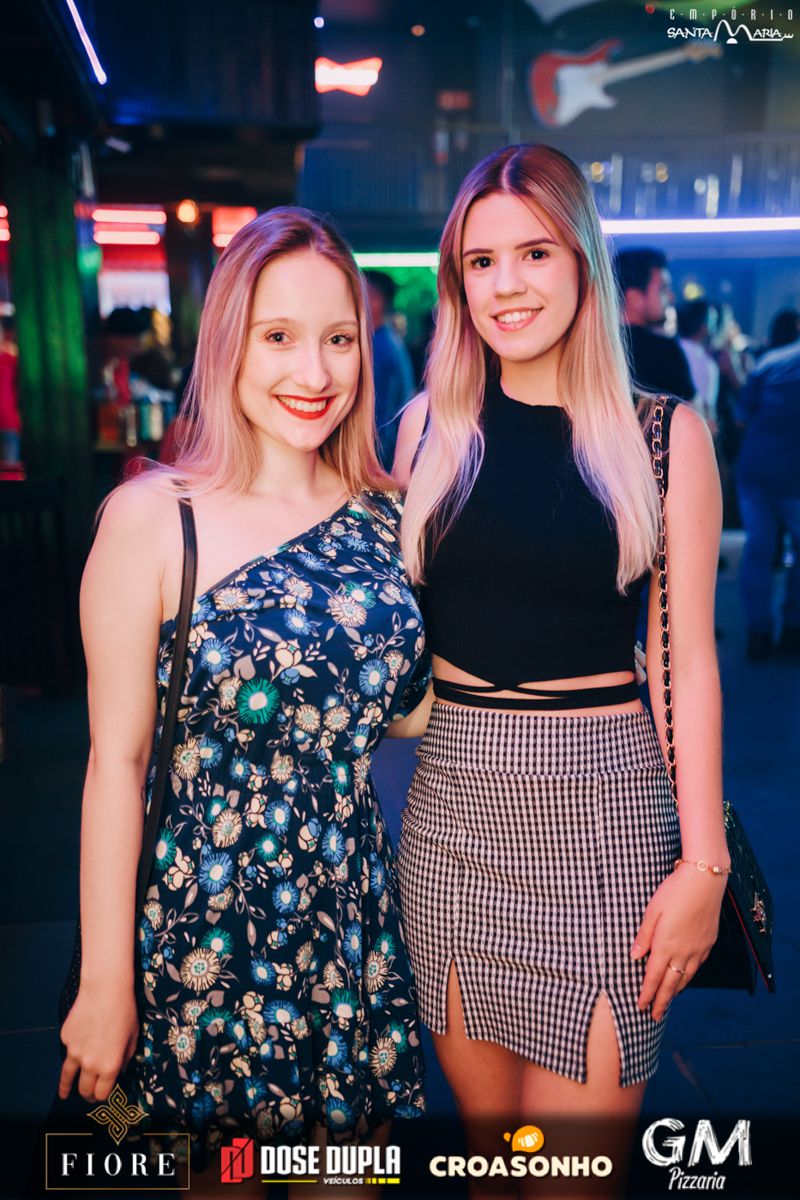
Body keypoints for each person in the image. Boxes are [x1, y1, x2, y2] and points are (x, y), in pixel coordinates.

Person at [58, 208, 429, 1188]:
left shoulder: (387, 518)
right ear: (229, 342)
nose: (314, 372)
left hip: (346, 918)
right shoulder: (152, 518)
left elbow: (406, 709)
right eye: (278, 337)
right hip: (199, 928)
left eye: (338, 339)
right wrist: (105, 983)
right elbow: (116, 766)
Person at [392, 145, 727, 1198]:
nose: (506, 286)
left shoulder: (662, 437)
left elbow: (686, 662)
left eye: (533, 253)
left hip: (604, 813)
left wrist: (704, 866)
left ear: (582, 259)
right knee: (494, 1166)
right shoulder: (425, 431)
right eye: (479, 262)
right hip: (452, 814)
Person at [736, 336, 800, 660]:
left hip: (757, 467)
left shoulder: (771, 360)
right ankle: (793, 629)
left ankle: (758, 633)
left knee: (758, 551)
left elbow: (742, 416)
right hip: (793, 474)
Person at [616, 247, 695, 401]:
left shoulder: (595, 347)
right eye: (663, 289)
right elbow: (691, 409)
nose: (671, 297)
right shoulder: (665, 351)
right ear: (635, 298)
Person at [365, 271, 415, 470]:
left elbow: (378, 412)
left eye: (360, 292)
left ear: (377, 301)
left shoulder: (378, 347)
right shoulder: (388, 340)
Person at [677, 298, 720, 431]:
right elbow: (706, 407)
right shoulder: (705, 363)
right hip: (694, 429)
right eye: (712, 321)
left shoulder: (670, 349)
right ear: (703, 327)